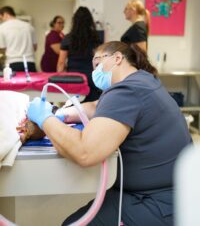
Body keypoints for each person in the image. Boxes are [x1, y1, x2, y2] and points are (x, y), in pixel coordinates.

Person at [27, 41, 192, 226]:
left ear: (117, 58)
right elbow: (97, 106)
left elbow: (84, 152)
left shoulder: (127, 91)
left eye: (97, 64)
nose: (95, 72)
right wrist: (61, 114)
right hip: (174, 193)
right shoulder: (143, 80)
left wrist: (45, 119)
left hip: (158, 204)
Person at [57, 6, 102, 102]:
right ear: (90, 21)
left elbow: (61, 63)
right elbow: (99, 59)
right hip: (91, 77)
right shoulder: (96, 38)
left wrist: (60, 79)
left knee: (74, 107)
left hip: (73, 78)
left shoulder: (68, 38)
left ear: (75, 21)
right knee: (92, 106)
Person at [0, 6, 37, 71]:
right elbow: (35, 47)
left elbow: (2, 48)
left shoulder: (2, 27)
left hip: (12, 63)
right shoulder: (28, 26)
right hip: (30, 62)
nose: (1, 20)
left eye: (1, 18)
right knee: (31, 81)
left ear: (5, 14)